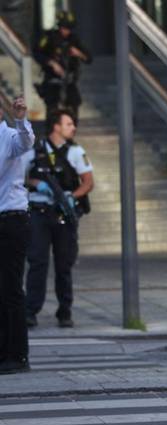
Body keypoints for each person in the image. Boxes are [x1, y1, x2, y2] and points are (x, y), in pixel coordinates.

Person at [23, 109, 94, 328]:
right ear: (56, 126)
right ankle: (31, 310)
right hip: (39, 212)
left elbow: (88, 181)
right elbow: (22, 176)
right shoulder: (35, 150)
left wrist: (73, 196)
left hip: (63, 214)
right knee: (37, 262)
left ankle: (65, 311)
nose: (73, 128)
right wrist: (38, 185)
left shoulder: (75, 151)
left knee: (64, 264)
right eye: (69, 124)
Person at [0, 96, 35, 374]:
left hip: (12, 220)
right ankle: (3, 352)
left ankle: (18, 355)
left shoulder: (10, 136)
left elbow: (26, 142)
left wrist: (21, 118)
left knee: (11, 288)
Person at [33, 10, 92, 121]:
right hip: (53, 80)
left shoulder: (74, 39)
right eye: (64, 28)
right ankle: (52, 130)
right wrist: (51, 63)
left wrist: (78, 53)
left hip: (69, 79)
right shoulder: (49, 37)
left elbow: (88, 58)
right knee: (52, 106)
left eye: (69, 28)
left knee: (74, 103)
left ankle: (69, 132)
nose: (66, 31)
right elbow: (37, 53)